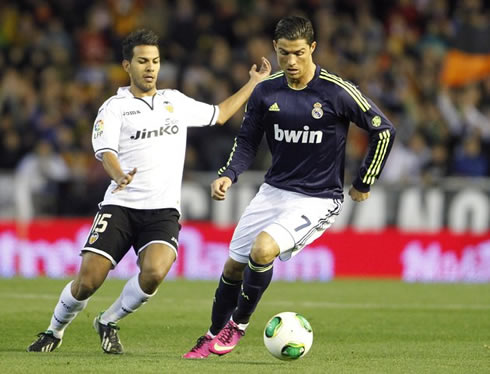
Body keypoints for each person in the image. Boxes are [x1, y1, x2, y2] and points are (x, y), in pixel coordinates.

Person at [27, 29, 271, 354]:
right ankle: (54, 330)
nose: (150, 67)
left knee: (155, 272)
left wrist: (253, 84)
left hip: (162, 211)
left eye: (155, 61)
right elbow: (105, 151)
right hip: (121, 206)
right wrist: (118, 174)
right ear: (127, 65)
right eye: (143, 61)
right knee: (87, 281)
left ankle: (108, 320)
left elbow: (220, 114)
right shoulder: (114, 107)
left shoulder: (174, 101)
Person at [183, 15, 396, 359]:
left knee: (263, 250)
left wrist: (364, 180)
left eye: (298, 53)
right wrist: (229, 173)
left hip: (317, 198)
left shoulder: (336, 91)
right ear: (275, 49)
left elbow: (383, 129)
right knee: (232, 267)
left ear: (312, 48)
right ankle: (210, 336)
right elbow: (248, 140)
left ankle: (237, 325)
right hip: (273, 192)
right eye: (284, 54)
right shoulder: (266, 90)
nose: (292, 62)